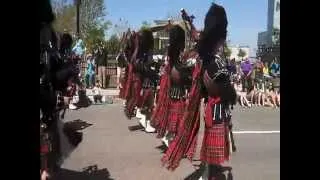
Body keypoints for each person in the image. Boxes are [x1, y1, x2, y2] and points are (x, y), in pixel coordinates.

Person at [161, 4, 237, 179]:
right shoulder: (216, 65)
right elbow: (229, 95)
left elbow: (196, 36)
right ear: (219, 38)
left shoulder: (204, 61)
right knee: (214, 162)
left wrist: (188, 23)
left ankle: (206, 172)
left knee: (212, 159)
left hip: (212, 112)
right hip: (217, 114)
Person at [151, 24, 194, 147]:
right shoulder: (174, 54)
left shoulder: (174, 53)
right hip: (176, 88)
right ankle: (170, 138)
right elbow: (180, 69)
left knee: (175, 116)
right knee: (177, 116)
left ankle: (170, 137)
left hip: (174, 87)